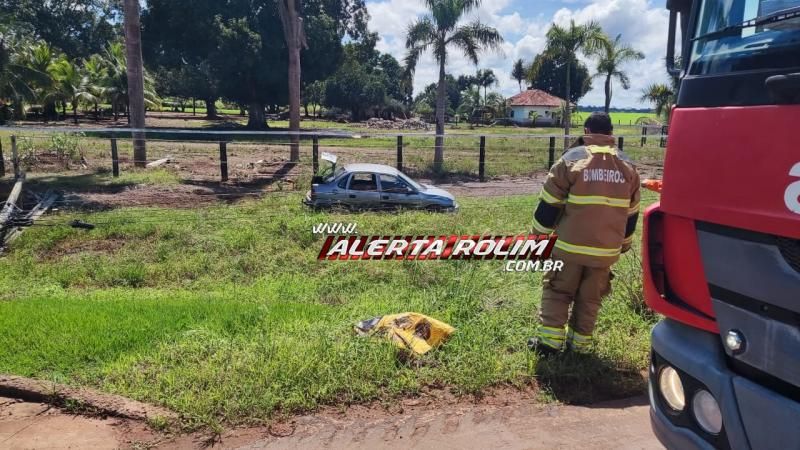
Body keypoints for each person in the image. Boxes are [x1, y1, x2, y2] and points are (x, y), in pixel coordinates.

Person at [528, 112, 640, 355]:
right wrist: (623, 244)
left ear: (586, 131)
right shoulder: (628, 166)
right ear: (611, 133)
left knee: (558, 291)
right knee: (590, 298)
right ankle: (580, 346)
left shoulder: (571, 160)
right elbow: (631, 214)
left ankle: (549, 344)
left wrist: (537, 239)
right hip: (605, 252)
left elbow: (549, 206)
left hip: (568, 248)